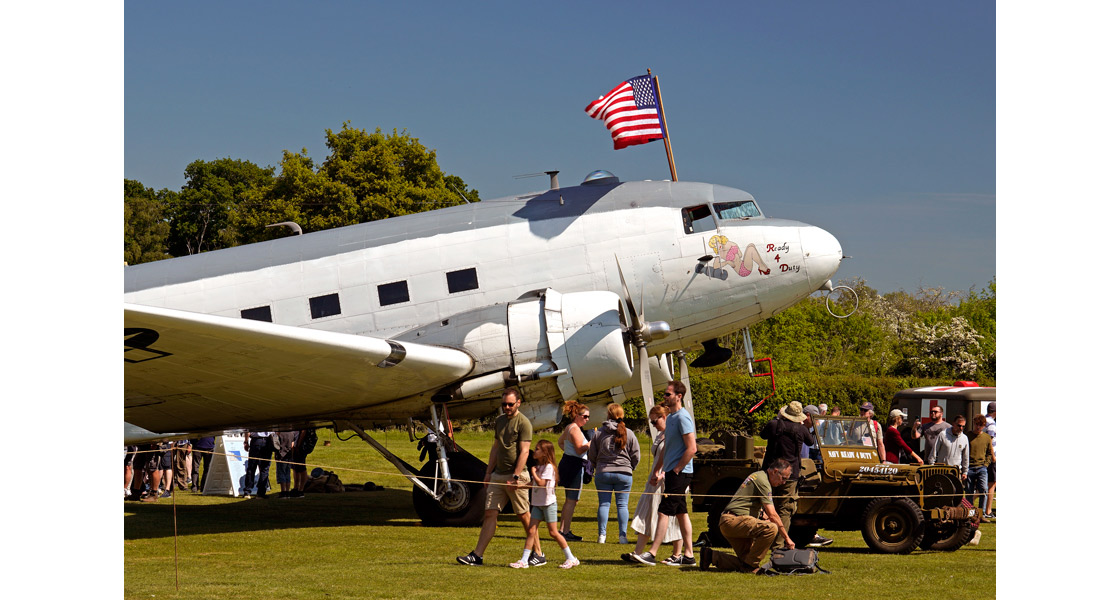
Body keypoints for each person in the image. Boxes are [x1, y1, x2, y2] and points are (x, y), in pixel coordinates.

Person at [457, 388, 534, 566]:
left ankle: (538, 553)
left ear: (518, 403)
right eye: (504, 404)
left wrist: (515, 476)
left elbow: (524, 452)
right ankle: (477, 555)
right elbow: (496, 448)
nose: (506, 407)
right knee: (490, 513)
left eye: (510, 404)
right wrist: (488, 472)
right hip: (498, 475)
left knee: (524, 516)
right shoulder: (499, 421)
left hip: (516, 476)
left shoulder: (524, 423)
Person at [633, 380, 697, 567]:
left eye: (668, 394)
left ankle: (651, 553)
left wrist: (677, 469)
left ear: (679, 396)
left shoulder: (683, 418)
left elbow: (692, 448)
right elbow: (667, 447)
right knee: (681, 513)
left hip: (681, 473)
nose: (665, 397)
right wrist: (657, 469)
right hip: (671, 472)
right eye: (664, 394)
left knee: (663, 511)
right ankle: (689, 556)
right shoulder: (671, 418)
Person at [699, 459, 797, 574]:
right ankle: (751, 566)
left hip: (730, 521)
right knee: (771, 528)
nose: (784, 482)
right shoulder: (763, 482)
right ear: (775, 471)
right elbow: (773, 514)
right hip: (734, 521)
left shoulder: (759, 476)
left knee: (746, 561)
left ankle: (711, 556)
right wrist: (787, 538)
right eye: (783, 478)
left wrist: (761, 514)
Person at [624, 405, 683, 562]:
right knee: (645, 513)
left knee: (672, 517)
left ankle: (678, 554)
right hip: (653, 481)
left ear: (664, 418)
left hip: (668, 481)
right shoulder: (660, 435)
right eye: (651, 422)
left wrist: (663, 474)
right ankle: (638, 552)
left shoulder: (673, 435)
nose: (653, 425)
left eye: (655, 422)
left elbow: (677, 457)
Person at [509, 440, 581, 569]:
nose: (534, 451)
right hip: (537, 504)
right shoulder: (539, 467)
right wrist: (518, 487)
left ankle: (571, 558)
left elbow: (541, 484)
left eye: (537, 449)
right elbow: (533, 484)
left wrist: (533, 472)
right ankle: (524, 560)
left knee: (553, 532)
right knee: (531, 531)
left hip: (548, 505)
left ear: (544, 453)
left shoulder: (548, 467)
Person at [759, 401, 815, 553]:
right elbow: (810, 441)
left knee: (765, 507)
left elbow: (762, 434)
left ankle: (761, 541)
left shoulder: (773, 425)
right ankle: (777, 545)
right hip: (790, 475)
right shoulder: (801, 428)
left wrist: (777, 420)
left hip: (771, 473)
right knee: (785, 510)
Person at [588, 403, 641, 544]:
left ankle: (602, 536)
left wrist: (596, 466)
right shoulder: (629, 432)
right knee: (622, 505)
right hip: (624, 473)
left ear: (608, 415)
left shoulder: (599, 432)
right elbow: (636, 454)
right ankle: (622, 536)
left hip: (603, 472)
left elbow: (591, 454)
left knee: (604, 504)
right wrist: (630, 467)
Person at [556, 400, 591, 542]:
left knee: (569, 499)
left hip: (568, 462)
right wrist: (590, 444)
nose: (587, 419)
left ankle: (563, 530)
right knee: (572, 499)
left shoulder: (570, 427)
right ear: (577, 415)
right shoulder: (575, 429)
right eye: (585, 416)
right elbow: (579, 449)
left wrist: (568, 452)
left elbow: (560, 442)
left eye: (588, 417)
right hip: (574, 465)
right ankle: (565, 531)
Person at [966, 414, 995, 521]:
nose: (978, 427)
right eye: (977, 424)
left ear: (984, 426)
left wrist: (986, 464)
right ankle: (969, 514)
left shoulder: (987, 437)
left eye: (981, 425)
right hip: (969, 467)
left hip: (982, 467)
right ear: (974, 424)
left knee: (983, 490)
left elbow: (989, 453)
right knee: (969, 492)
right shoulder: (968, 436)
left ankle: (981, 514)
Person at [243, 431, 272, 498]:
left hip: (256, 441)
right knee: (264, 468)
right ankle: (261, 493)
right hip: (267, 441)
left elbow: (247, 431)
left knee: (252, 467)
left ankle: (247, 491)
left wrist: (246, 441)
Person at [272, 430, 299, 498]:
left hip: (281, 455)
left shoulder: (280, 433)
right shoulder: (292, 433)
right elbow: (292, 445)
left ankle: (283, 491)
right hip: (289, 455)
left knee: (281, 473)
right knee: (287, 473)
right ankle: (287, 491)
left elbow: (276, 444)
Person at [290, 429, 316, 499]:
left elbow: (303, 431)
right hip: (295, 445)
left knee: (301, 468)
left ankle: (301, 489)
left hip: (300, 446)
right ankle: (296, 487)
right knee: (295, 467)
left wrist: (298, 445)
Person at [984, 402, 997, 520]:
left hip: (984, 457)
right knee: (992, 484)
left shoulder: (984, 421)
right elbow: (990, 441)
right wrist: (993, 457)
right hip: (992, 457)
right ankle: (988, 510)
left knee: (987, 484)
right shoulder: (992, 424)